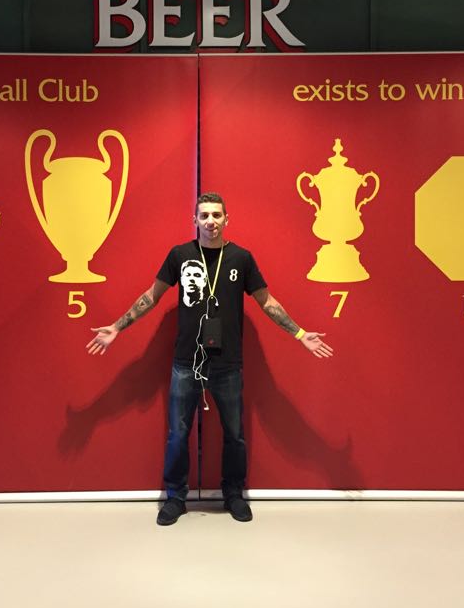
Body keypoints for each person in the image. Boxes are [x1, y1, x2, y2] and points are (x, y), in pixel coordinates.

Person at [86, 191, 333, 526]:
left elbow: (267, 301)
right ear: (195, 220)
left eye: (217, 215)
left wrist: (300, 334)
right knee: (178, 434)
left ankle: (234, 494)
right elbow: (151, 296)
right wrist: (117, 327)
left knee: (234, 434)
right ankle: (175, 498)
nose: (211, 221)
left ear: (227, 219)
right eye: (204, 215)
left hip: (228, 363)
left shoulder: (241, 258)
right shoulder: (180, 255)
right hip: (186, 363)